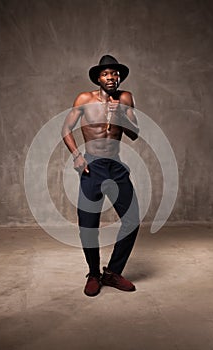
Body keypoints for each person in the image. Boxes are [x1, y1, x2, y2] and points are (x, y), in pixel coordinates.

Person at [62, 55, 140, 297]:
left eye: (115, 74)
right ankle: (94, 273)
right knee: (88, 225)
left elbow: (135, 133)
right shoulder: (84, 99)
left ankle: (113, 272)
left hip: (115, 166)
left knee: (132, 219)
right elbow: (65, 128)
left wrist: (119, 115)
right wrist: (76, 155)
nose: (111, 78)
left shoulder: (125, 98)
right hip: (92, 166)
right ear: (98, 77)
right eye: (106, 74)